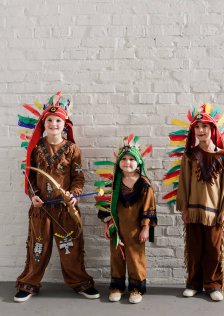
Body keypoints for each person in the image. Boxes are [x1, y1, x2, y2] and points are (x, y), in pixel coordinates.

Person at [15, 91, 100, 302]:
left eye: (58, 120)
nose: (54, 124)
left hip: (65, 209)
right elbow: (31, 177)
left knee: (70, 248)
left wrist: (75, 195)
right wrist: (33, 196)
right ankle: (29, 284)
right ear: (45, 123)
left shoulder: (73, 149)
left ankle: (80, 283)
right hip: (41, 209)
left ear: (65, 124)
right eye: (50, 120)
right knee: (38, 247)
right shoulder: (36, 149)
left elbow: (78, 178)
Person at [163, 104, 224, 302]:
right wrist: (184, 207)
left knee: (214, 249)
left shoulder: (223, 157)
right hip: (194, 210)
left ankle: (213, 285)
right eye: (197, 127)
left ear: (213, 129)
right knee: (194, 247)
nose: (200, 131)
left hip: (215, 211)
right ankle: (194, 284)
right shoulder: (189, 156)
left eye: (204, 127)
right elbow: (184, 183)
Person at [95, 135, 157, 304]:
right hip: (117, 227)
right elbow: (105, 206)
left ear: (138, 163)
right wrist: (107, 224)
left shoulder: (144, 185)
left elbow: (149, 208)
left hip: (136, 229)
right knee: (116, 257)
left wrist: (145, 228)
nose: (127, 162)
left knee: (135, 257)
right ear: (118, 162)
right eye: (124, 159)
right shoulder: (113, 183)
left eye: (131, 159)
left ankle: (137, 288)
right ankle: (117, 286)